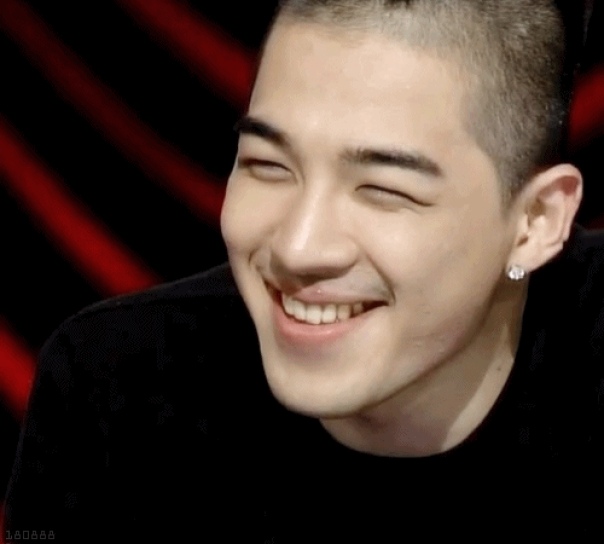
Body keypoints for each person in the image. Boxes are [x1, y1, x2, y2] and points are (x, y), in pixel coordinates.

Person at [5, 0, 603, 541]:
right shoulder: (111, 386)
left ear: (535, 222)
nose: (297, 248)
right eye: (267, 164)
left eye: (383, 189)